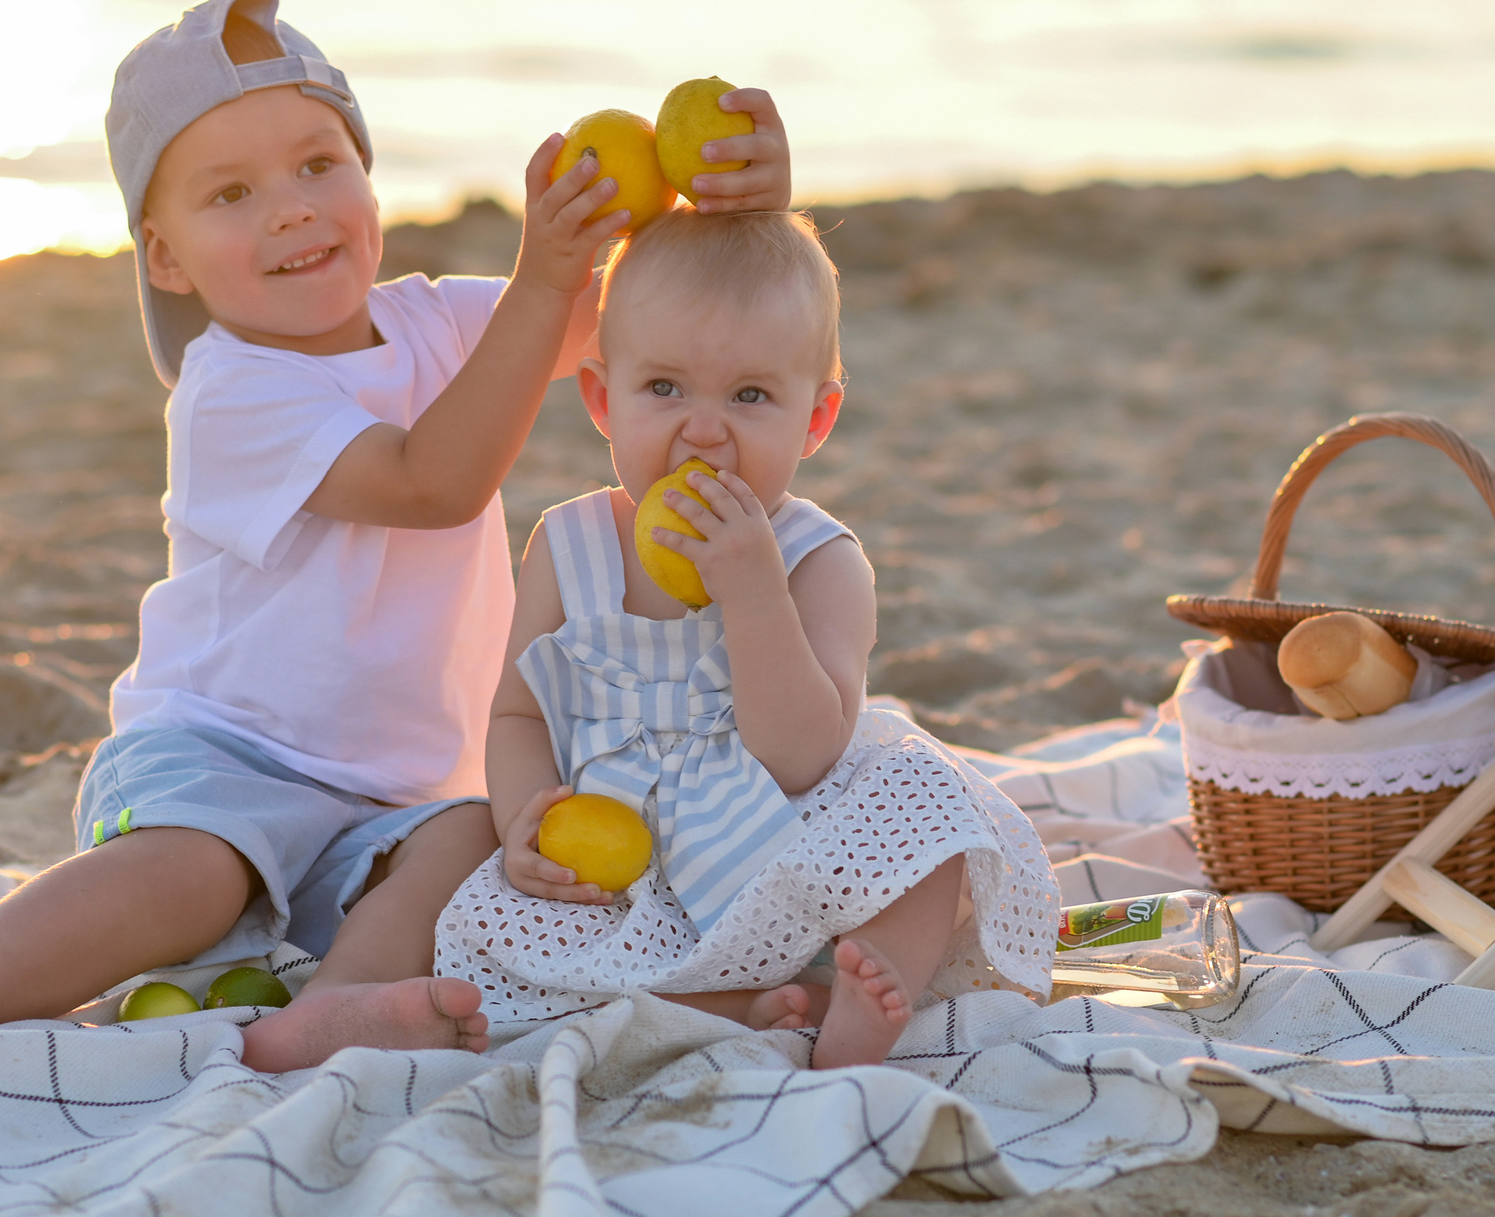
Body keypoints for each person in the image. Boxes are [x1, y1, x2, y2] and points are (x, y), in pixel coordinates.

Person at [0, 0, 792, 1068]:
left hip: (390, 800)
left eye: (320, 164)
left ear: (369, 179)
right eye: (230, 192)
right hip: (217, 761)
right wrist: (542, 275)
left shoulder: (438, 320)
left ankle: (337, 1005)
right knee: (195, 873)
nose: (290, 208)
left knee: (473, 836)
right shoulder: (230, 387)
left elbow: (657, 333)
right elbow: (433, 482)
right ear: (166, 258)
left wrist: (734, 212)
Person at [433, 209, 1056, 1068]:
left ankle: (866, 993)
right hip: (621, 865)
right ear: (602, 400)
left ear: (817, 418)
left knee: (933, 805)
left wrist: (755, 594)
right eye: (665, 389)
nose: (704, 429)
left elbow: (805, 755)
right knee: (477, 897)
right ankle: (745, 1003)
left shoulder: (818, 561)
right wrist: (525, 823)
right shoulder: (565, 545)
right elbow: (517, 716)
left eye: (750, 396)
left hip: (784, 851)